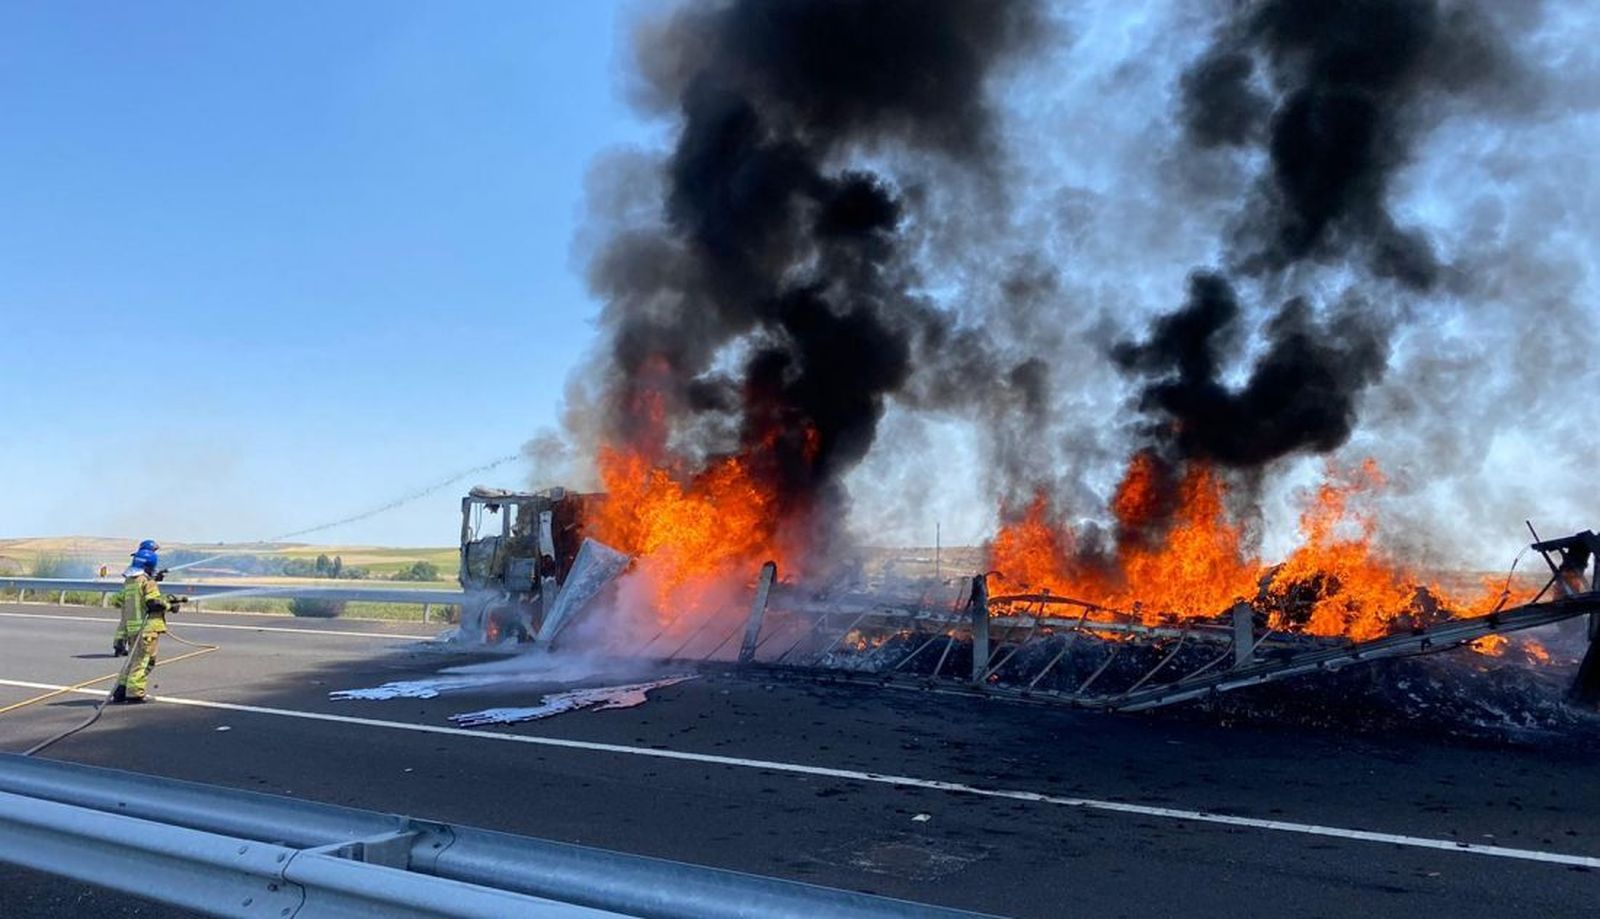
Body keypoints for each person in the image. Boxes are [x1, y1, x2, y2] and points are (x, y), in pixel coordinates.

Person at [108, 541, 178, 703]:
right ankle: (135, 693)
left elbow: (127, 603)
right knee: (145, 662)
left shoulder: (130, 582)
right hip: (147, 630)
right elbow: (153, 603)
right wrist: (170, 606)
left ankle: (121, 690)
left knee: (133, 661)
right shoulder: (148, 582)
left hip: (134, 629)